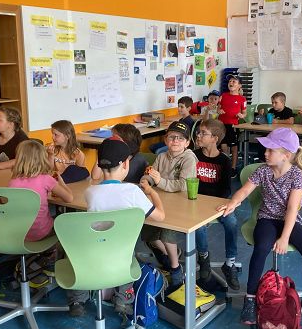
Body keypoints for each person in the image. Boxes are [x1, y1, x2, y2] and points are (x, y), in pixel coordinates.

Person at [220, 128, 302, 329]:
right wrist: (233, 202)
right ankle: (250, 298)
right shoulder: (263, 170)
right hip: (267, 219)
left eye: (271, 150)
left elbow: (292, 209)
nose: (265, 153)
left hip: (289, 220)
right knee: (261, 248)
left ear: (286, 155)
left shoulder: (296, 175)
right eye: (266, 149)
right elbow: (244, 191)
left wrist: (285, 237)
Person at [72, 137, 165, 316]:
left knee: (81, 256)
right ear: (125, 164)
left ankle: (78, 299)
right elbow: (160, 216)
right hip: (122, 254)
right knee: (127, 256)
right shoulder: (133, 192)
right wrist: (152, 193)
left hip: (92, 251)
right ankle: (123, 300)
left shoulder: (90, 192)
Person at [141, 121, 197, 291]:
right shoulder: (161, 156)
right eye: (172, 137)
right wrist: (146, 180)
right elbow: (151, 175)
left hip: (181, 204)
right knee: (147, 232)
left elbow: (183, 185)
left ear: (187, 143)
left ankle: (175, 267)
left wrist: (159, 181)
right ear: (165, 140)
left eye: (180, 138)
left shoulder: (189, 158)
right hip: (161, 201)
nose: (175, 141)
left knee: (167, 234)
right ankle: (168, 254)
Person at [193, 119, 239, 290]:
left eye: (203, 133)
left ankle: (230, 262)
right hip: (196, 202)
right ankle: (203, 257)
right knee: (198, 226)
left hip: (217, 203)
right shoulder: (193, 156)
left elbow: (226, 190)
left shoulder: (224, 161)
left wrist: (212, 206)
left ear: (215, 138)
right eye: (198, 132)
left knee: (231, 222)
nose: (198, 135)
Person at [8, 140, 73, 242]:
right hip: (41, 233)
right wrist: (62, 184)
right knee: (63, 219)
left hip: (19, 233)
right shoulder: (46, 179)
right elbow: (69, 198)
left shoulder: (13, 182)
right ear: (42, 158)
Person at [218, 75, 247, 176]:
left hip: (233, 125)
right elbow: (218, 108)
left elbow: (244, 113)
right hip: (222, 124)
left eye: (234, 81)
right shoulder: (223, 96)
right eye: (230, 81)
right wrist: (219, 110)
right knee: (223, 146)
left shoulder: (242, 99)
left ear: (239, 85)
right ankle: (226, 166)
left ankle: (233, 168)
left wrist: (241, 115)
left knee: (234, 147)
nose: (231, 83)